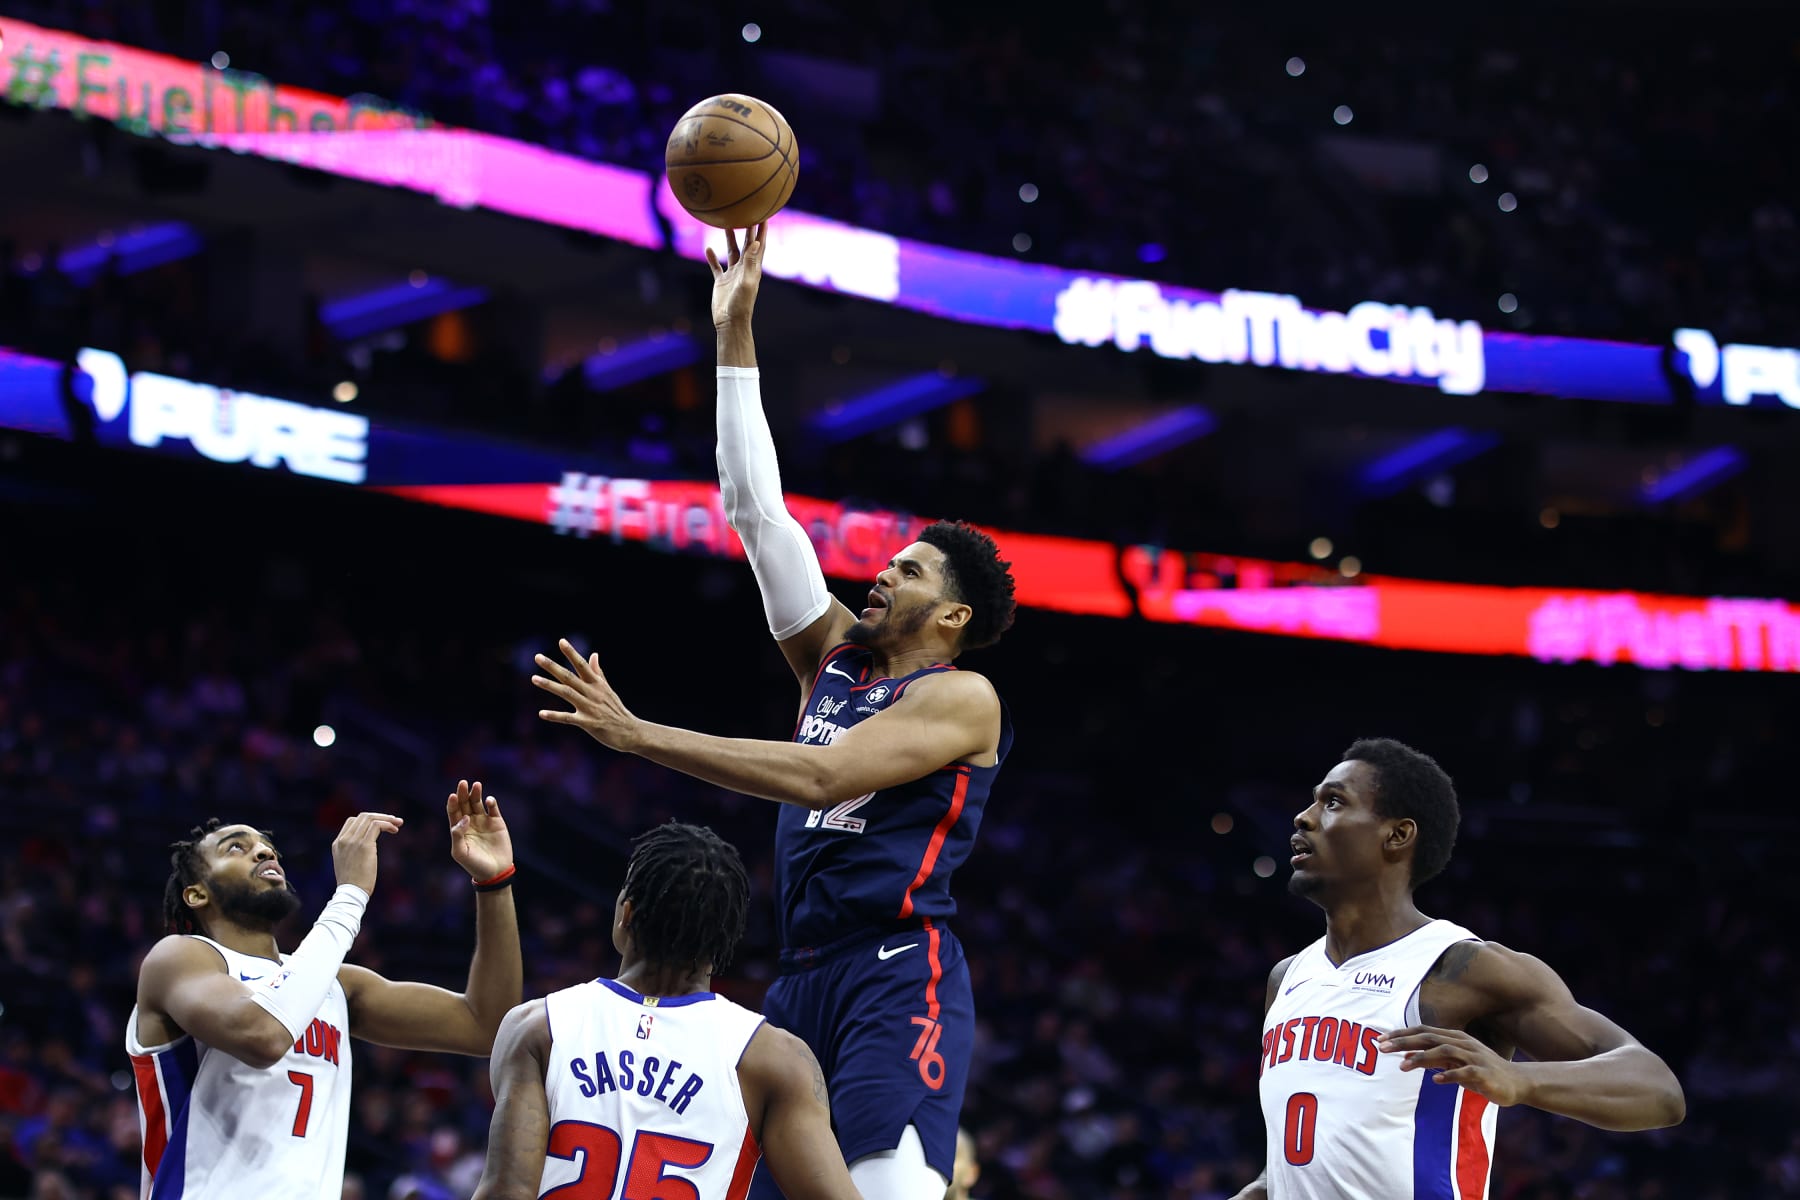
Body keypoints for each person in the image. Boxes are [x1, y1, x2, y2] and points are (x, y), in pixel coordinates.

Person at [529, 223, 1016, 1200]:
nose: (884, 573)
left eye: (911, 571)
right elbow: (756, 512)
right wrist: (734, 330)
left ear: (953, 617)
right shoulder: (834, 656)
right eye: (890, 561)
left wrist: (639, 736)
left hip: (894, 968)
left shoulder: (964, 697)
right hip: (796, 973)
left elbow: (823, 775)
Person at [1231, 739, 1685, 1200]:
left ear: (1397, 835)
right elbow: (1302, 1159)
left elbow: (1658, 1090)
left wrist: (1519, 1079)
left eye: (1333, 802)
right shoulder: (1287, 979)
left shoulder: (1461, 968)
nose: (1303, 817)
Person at [128, 781, 523, 1200]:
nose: (263, 852)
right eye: (236, 848)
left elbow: (486, 1026)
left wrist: (494, 882)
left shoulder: (335, 985)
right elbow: (262, 1034)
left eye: (267, 848)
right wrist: (350, 895)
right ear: (196, 894)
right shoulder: (180, 958)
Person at [471, 822, 861, 1200]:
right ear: (725, 937)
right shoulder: (774, 1060)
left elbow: (507, 1192)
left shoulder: (538, 1027)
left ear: (626, 913)